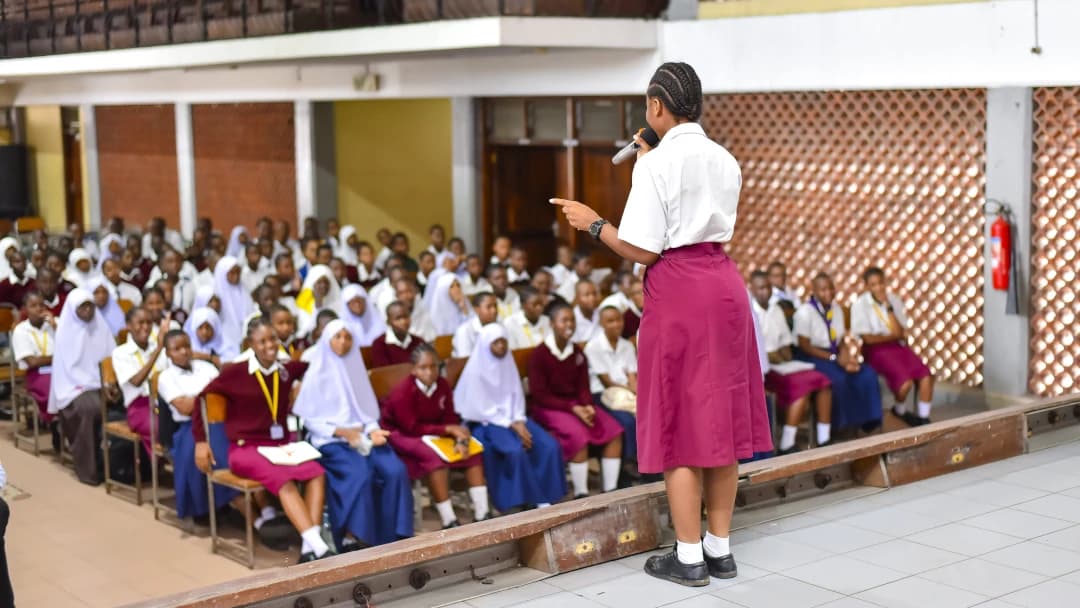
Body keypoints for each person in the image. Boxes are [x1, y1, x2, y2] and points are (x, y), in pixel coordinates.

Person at [550, 62, 773, 585]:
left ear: (656, 106)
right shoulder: (724, 158)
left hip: (680, 293)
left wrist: (594, 223)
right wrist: (650, 164)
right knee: (719, 420)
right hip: (724, 285)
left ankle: (689, 557)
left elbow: (644, 249)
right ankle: (720, 549)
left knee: (679, 422)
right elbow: (692, 212)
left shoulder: (654, 165)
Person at [194, 318, 333, 563]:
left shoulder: (285, 369)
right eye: (262, 341)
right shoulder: (236, 372)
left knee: (317, 472)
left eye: (273, 339)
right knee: (284, 480)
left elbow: (313, 366)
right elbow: (201, 398)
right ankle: (320, 549)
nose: (270, 345)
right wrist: (200, 441)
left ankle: (309, 547)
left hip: (279, 446)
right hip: (245, 448)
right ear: (251, 344)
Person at [293, 320, 414, 548]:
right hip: (331, 441)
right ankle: (353, 536)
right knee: (361, 474)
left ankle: (394, 534)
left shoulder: (355, 367)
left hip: (363, 437)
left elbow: (366, 411)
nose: (343, 342)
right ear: (327, 340)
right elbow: (310, 420)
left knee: (395, 469)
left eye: (347, 337)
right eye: (337, 337)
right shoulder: (317, 371)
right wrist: (343, 432)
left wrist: (373, 431)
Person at [456, 324, 566, 511]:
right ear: (486, 344)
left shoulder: (507, 361)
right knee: (513, 450)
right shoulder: (476, 369)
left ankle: (549, 495)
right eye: (496, 342)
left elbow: (515, 394)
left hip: (514, 416)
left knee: (548, 445)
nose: (501, 346)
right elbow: (480, 408)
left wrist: (519, 420)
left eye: (503, 341)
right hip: (487, 422)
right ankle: (528, 501)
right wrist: (512, 424)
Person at [381, 345, 490, 528]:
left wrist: (460, 439)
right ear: (414, 370)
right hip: (403, 434)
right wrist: (447, 429)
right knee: (434, 458)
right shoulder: (403, 392)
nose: (430, 372)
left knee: (472, 452)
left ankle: (482, 513)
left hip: (433, 432)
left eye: (434, 366)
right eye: (423, 367)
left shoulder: (443, 385)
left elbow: (450, 418)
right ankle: (449, 519)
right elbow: (412, 427)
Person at [528, 304, 623, 499]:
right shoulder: (540, 355)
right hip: (549, 407)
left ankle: (611, 491)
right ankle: (582, 494)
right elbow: (540, 395)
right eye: (564, 320)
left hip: (576, 405)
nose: (569, 324)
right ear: (553, 324)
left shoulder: (578, 352)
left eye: (572, 320)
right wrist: (574, 408)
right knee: (578, 435)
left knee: (614, 430)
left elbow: (583, 386)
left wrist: (587, 405)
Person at [157, 330, 238, 521]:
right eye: (177, 349)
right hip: (187, 426)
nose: (184, 352)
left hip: (218, 420)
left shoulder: (206, 368)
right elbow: (184, 408)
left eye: (186, 346)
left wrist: (200, 399)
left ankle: (227, 499)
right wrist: (208, 398)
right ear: (168, 353)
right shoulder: (166, 377)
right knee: (199, 450)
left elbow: (225, 395)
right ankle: (203, 507)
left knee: (232, 445)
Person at [749, 271, 832, 453]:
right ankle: (787, 442)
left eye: (768, 287)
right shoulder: (750, 313)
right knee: (802, 387)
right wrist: (772, 355)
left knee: (822, 380)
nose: (765, 292)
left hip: (783, 365)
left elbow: (786, 346)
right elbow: (756, 352)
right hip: (763, 371)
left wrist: (781, 354)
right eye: (761, 288)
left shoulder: (776, 310)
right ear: (752, 289)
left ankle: (824, 439)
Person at [795, 272, 883, 435]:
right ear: (813, 291)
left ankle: (868, 422)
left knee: (867, 375)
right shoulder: (804, 312)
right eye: (823, 289)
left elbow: (840, 339)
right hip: (813, 356)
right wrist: (835, 358)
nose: (828, 292)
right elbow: (804, 346)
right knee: (839, 379)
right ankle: (838, 427)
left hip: (834, 353)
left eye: (831, 288)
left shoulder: (836, 309)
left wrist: (848, 358)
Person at [49, 288, 116, 485]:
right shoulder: (65, 332)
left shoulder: (101, 327)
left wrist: (109, 384)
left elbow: (110, 360)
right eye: (82, 307)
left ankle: (119, 468)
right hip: (74, 387)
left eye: (90, 306)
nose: (87, 311)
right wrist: (92, 385)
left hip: (101, 383)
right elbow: (67, 373)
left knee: (123, 404)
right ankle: (90, 471)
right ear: (72, 310)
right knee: (90, 408)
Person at [851, 267, 934, 426]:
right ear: (867, 287)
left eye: (881, 283)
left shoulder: (894, 300)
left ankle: (923, 419)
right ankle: (899, 410)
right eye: (873, 284)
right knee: (905, 383)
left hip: (897, 346)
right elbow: (868, 339)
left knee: (925, 375)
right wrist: (892, 336)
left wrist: (888, 307)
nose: (879, 288)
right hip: (875, 351)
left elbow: (899, 331)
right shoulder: (860, 305)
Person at [584, 306, 639, 469]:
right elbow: (606, 382)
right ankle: (626, 465)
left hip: (625, 393)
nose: (616, 324)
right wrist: (631, 390)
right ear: (601, 324)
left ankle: (646, 464)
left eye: (619, 319)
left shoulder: (626, 345)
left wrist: (635, 390)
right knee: (626, 421)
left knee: (648, 414)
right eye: (610, 321)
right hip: (602, 395)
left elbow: (632, 374)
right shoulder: (594, 347)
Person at [113, 307, 170, 455]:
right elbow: (137, 381)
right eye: (140, 323)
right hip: (139, 406)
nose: (145, 327)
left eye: (149, 322)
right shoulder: (121, 353)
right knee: (159, 427)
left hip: (164, 400)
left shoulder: (159, 348)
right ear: (129, 325)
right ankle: (160, 464)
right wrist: (157, 351)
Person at [12, 292, 56, 428]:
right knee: (52, 388)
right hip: (36, 374)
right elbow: (32, 362)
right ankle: (54, 422)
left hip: (59, 369)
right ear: (25, 309)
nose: (39, 309)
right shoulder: (21, 330)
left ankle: (63, 423)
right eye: (33, 306)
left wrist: (56, 327)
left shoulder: (55, 324)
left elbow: (71, 349)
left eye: (41, 305)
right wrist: (58, 357)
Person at [212, 256, 253, 360]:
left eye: (238, 272)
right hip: (224, 344)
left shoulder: (243, 290)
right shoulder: (215, 297)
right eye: (231, 273)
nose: (236, 276)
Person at [370, 302, 426, 368]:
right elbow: (383, 374)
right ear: (388, 322)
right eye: (398, 318)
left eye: (406, 316)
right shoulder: (380, 344)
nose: (403, 322)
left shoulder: (419, 341)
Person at [296, 264, 342, 336]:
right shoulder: (304, 303)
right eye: (319, 282)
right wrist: (318, 304)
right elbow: (305, 331)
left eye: (326, 282)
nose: (323, 285)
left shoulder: (339, 302)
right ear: (312, 284)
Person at [453, 293, 498, 358]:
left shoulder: (499, 326)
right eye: (489, 307)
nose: (494, 310)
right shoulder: (464, 331)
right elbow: (465, 360)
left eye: (495, 306)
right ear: (476, 310)